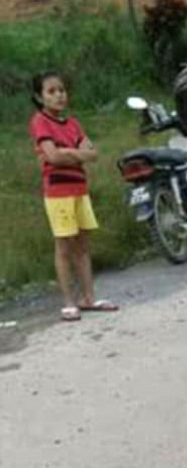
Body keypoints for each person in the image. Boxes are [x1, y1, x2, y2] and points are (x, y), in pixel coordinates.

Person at [28, 71, 119, 320]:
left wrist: (66, 153)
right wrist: (75, 153)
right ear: (40, 96)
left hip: (80, 190)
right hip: (58, 193)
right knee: (64, 247)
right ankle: (68, 302)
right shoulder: (40, 122)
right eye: (51, 91)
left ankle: (89, 297)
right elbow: (53, 157)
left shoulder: (73, 123)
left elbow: (92, 153)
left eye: (61, 90)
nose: (59, 95)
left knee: (83, 247)